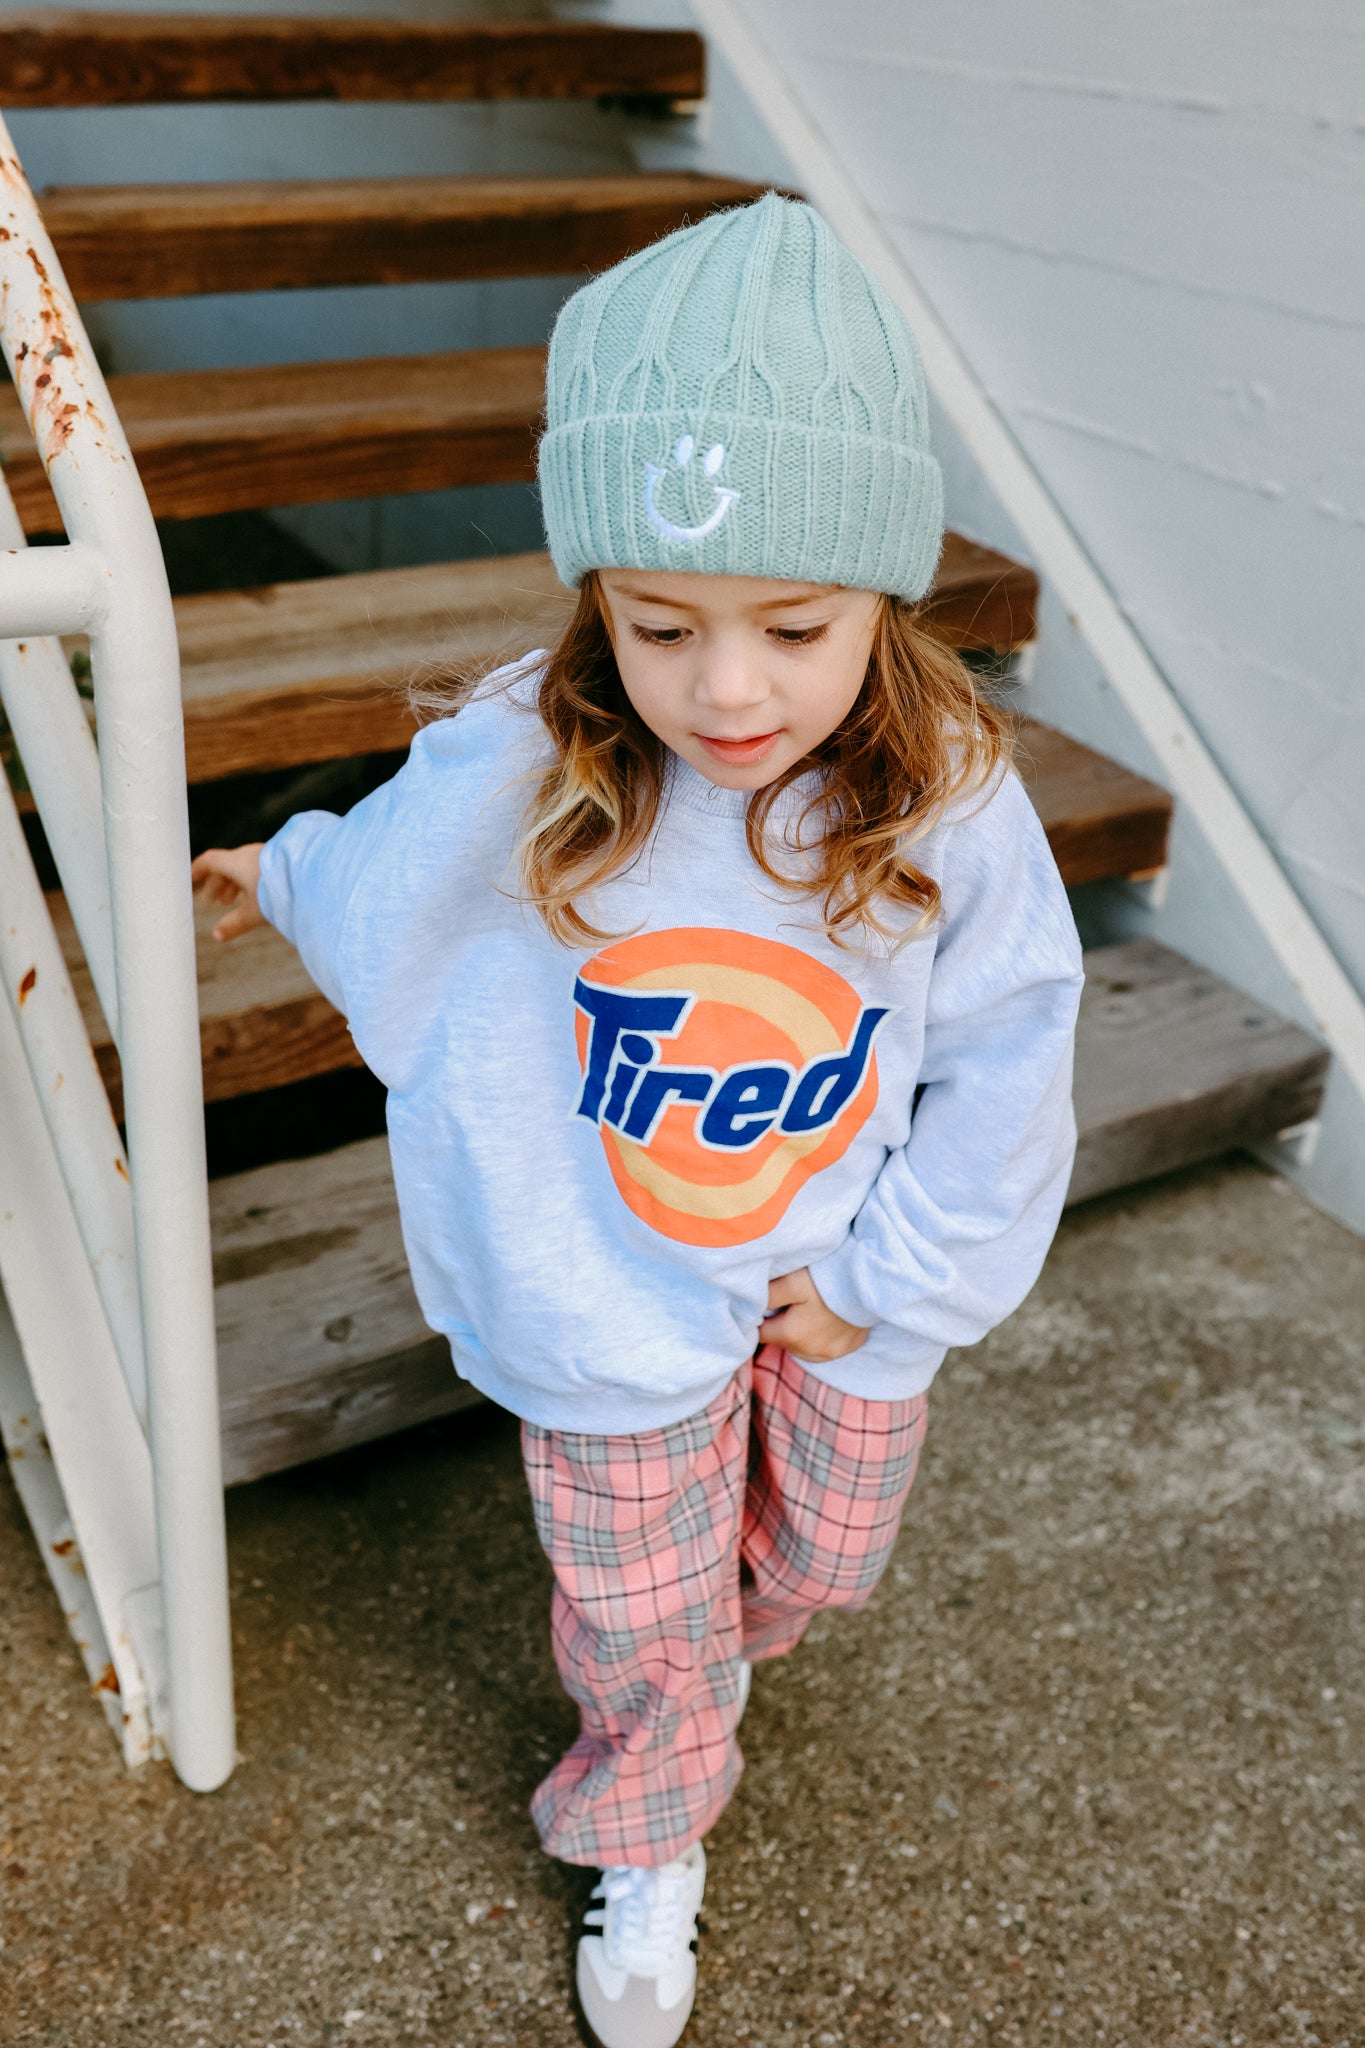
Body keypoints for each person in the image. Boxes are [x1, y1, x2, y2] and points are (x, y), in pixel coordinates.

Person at [192, 193, 1084, 2048]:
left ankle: (698, 1677)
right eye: (663, 625)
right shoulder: (533, 753)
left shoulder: (945, 796)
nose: (728, 688)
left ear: (884, 597)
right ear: (600, 598)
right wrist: (278, 871)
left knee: (820, 1558)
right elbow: (390, 882)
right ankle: (651, 1808)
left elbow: (1009, 1042)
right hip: (603, 1282)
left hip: (837, 1268)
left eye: (793, 624)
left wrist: (892, 1272)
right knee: (639, 1613)